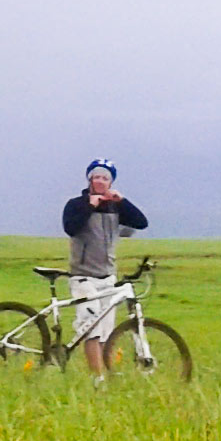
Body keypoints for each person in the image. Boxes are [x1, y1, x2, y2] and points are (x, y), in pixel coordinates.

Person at [64, 158, 148, 381]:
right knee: (91, 329)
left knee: (106, 332)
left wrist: (122, 202)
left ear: (111, 182)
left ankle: (103, 374)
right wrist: (89, 205)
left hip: (107, 278)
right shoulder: (76, 204)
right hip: (83, 277)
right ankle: (97, 378)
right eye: (96, 177)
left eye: (105, 178)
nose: (100, 181)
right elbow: (70, 227)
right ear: (89, 179)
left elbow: (141, 222)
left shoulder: (115, 208)